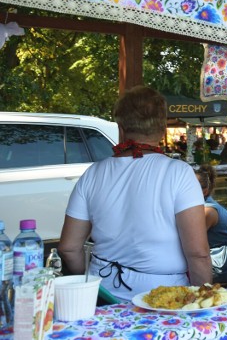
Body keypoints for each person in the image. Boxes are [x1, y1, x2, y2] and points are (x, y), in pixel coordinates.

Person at [58, 86, 212, 301]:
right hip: (164, 297)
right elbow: (198, 253)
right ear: (163, 130)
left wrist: (88, 285)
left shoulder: (93, 173)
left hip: (103, 293)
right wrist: (205, 300)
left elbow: (68, 248)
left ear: (121, 128)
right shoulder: (178, 173)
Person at [194, 167, 227, 285]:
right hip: (222, 260)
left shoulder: (208, 211)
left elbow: (191, 243)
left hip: (223, 267)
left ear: (204, 191)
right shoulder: (204, 206)